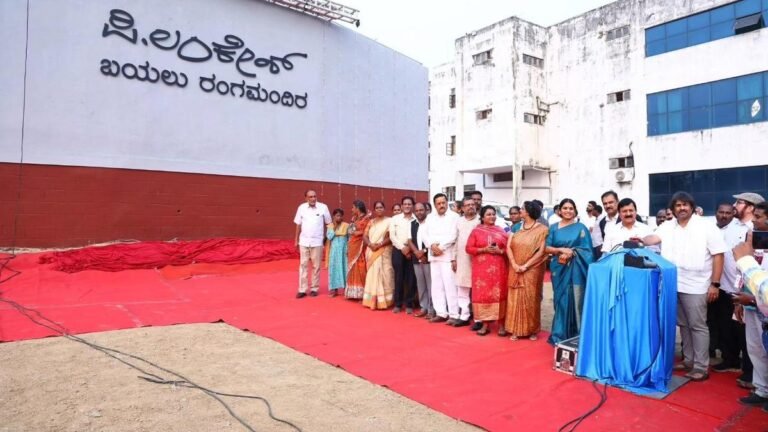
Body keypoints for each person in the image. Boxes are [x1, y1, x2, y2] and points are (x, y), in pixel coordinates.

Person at [643, 191, 727, 382]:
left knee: (698, 326)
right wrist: (639, 239)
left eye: (685, 204)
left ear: (692, 206)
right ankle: (688, 360)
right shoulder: (667, 226)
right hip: (673, 283)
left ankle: (701, 366)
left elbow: (719, 255)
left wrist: (715, 284)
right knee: (684, 325)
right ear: (673, 209)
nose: (682, 208)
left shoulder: (705, 225)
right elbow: (652, 240)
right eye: (678, 205)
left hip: (697, 285)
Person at [715, 195, 761, 381]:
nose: (735, 206)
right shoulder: (731, 225)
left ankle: (751, 373)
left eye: (739, 203)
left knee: (748, 335)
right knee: (727, 328)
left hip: (747, 289)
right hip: (725, 286)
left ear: (750, 207)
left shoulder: (755, 229)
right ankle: (730, 359)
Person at [732, 201, 768, 407]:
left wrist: (753, 298)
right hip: (751, 305)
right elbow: (745, 271)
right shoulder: (751, 238)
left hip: (762, 303)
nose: (754, 221)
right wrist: (741, 300)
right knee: (755, 349)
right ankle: (762, 391)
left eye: (759, 217)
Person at [545, 198, 594, 345]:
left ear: (575, 211)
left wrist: (573, 252)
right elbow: (546, 248)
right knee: (561, 300)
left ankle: (578, 334)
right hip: (559, 269)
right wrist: (560, 250)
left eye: (571, 208)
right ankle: (560, 334)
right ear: (559, 210)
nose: (568, 211)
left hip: (577, 270)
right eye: (565, 208)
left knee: (577, 299)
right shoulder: (553, 228)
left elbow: (588, 251)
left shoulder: (581, 228)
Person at [504, 201, 548, 341]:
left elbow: (542, 251)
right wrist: (514, 264)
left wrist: (526, 266)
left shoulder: (542, 230)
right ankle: (515, 329)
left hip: (532, 269)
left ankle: (532, 329)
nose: (520, 211)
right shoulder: (516, 227)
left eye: (522, 209)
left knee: (531, 298)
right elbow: (508, 246)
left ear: (528, 212)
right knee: (514, 299)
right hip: (515, 267)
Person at [465, 205, 509, 336]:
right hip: (482, 271)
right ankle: (485, 325)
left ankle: (501, 324)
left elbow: (510, 249)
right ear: (482, 217)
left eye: (494, 214)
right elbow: (468, 248)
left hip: (498, 270)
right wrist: (483, 249)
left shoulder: (501, 231)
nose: (492, 216)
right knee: (484, 296)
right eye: (489, 214)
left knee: (499, 294)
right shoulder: (476, 231)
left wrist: (500, 251)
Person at [423, 193, 460, 324]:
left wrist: (441, 247)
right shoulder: (429, 218)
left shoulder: (454, 217)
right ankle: (441, 313)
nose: (441, 205)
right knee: (437, 285)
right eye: (438, 203)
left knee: (450, 285)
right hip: (433, 256)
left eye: (443, 202)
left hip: (447, 255)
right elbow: (424, 234)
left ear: (446, 203)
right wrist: (432, 245)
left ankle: (454, 314)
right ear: (434, 205)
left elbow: (453, 235)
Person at [294, 189, 331, 299]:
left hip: (317, 241)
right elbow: (298, 224)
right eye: (310, 197)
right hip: (304, 241)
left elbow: (329, 223)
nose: (313, 199)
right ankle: (302, 289)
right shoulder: (301, 208)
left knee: (316, 266)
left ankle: (314, 288)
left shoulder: (323, 207)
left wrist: (327, 239)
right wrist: (296, 240)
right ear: (306, 198)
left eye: (314, 196)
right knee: (303, 265)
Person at [362, 201, 395, 310]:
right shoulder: (371, 222)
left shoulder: (390, 221)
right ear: (374, 210)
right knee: (372, 275)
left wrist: (380, 244)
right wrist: (371, 245)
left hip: (384, 251)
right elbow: (365, 236)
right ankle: (371, 301)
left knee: (386, 274)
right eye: (377, 208)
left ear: (384, 209)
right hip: (372, 251)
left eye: (381, 207)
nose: (379, 209)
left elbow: (391, 237)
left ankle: (386, 300)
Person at [454, 197, 480, 327]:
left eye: (472, 204)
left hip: (478, 260)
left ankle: (478, 319)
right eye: (467, 205)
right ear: (462, 208)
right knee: (462, 288)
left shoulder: (480, 221)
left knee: (477, 290)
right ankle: (464, 316)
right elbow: (455, 240)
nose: (471, 207)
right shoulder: (459, 222)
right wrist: (453, 259)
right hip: (462, 260)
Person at [389, 197, 417, 314]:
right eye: (405, 204)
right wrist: (402, 248)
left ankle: (409, 304)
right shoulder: (395, 219)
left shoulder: (416, 219)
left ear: (413, 206)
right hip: (398, 250)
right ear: (401, 206)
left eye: (409, 204)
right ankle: (398, 304)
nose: (407, 206)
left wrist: (410, 249)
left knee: (411, 278)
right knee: (398, 277)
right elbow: (392, 236)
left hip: (413, 250)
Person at [409, 202, 435, 319]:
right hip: (417, 258)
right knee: (421, 285)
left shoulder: (431, 223)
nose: (419, 212)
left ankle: (432, 309)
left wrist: (424, 252)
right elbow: (410, 241)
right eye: (417, 210)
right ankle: (423, 307)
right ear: (414, 212)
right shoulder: (412, 223)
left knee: (431, 285)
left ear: (426, 210)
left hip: (428, 258)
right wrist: (417, 254)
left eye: (421, 210)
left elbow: (434, 240)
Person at [345, 200, 370, 300]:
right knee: (352, 267)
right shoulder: (354, 218)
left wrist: (356, 232)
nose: (351, 210)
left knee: (361, 267)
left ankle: (361, 293)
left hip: (360, 247)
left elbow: (365, 232)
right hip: (352, 245)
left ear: (358, 208)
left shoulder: (366, 218)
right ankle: (352, 293)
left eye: (353, 208)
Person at [326, 209, 349, 298]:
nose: (338, 217)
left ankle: (346, 289)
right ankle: (334, 290)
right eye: (337, 216)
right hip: (335, 251)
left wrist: (348, 249)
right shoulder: (330, 226)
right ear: (334, 216)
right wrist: (334, 227)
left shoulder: (346, 225)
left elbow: (349, 237)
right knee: (334, 268)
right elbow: (329, 236)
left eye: (340, 215)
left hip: (344, 249)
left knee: (345, 268)